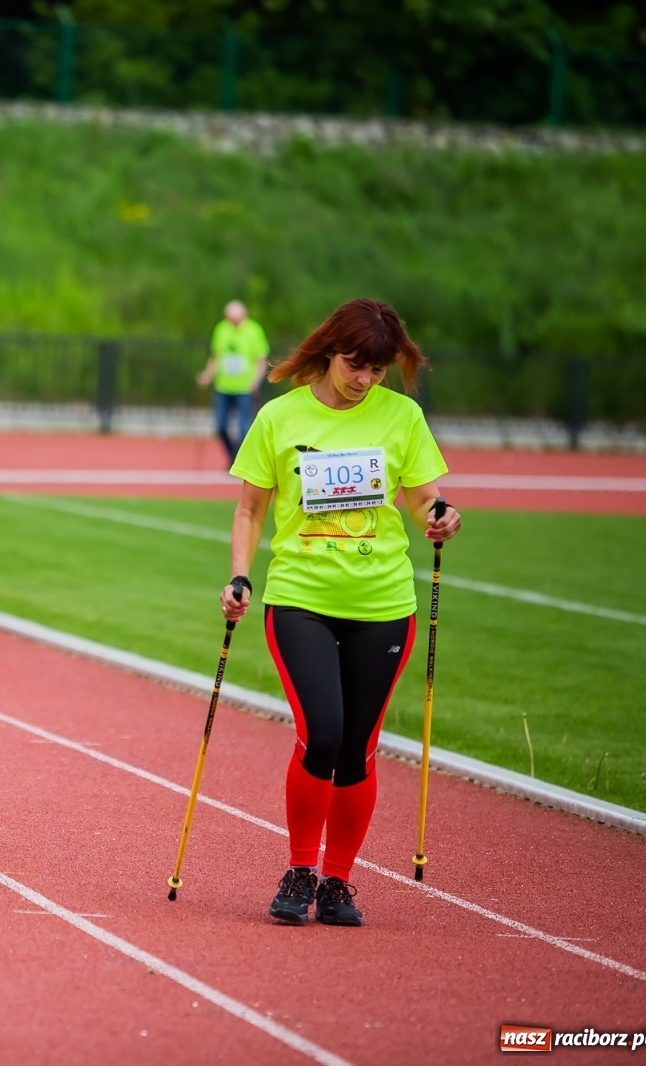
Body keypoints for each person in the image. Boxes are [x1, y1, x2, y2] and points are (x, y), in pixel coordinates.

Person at [220, 298, 460, 926]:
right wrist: (240, 574)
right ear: (331, 351)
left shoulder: (402, 416)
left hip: (383, 602)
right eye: (356, 365)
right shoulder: (280, 418)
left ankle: (337, 882)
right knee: (320, 733)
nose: (364, 380)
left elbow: (422, 498)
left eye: (378, 371)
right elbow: (250, 510)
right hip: (301, 597)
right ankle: (300, 870)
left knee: (357, 747)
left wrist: (439, 517)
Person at [197, 299, 270, 463]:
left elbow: (260, 360)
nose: (233, 322)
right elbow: (216, 357)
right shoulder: (221, 329)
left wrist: (255, 381)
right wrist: (207, 375)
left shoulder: (254, 331)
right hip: (223, 386)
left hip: (244, 387)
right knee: (220, 425)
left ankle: (239, 459)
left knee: (244, 428)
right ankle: (232, 455)